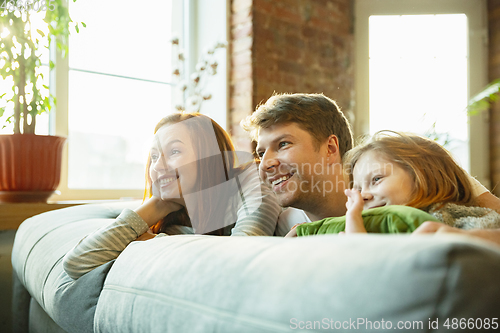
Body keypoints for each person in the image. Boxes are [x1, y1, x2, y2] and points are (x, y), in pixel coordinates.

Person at [241, 93, 500, 245]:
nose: (266, 163)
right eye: (261, 152)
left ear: (331, 148)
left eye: (283, 144)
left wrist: (453, 239)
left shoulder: (417, 173)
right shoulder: (284, 226)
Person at [63, 112, 281, 280]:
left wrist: (154, 244)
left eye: (174, 152)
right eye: (154, 156)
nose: (158, 166)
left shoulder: (248, 182)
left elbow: (243, 256)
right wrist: (157, 205)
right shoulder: (174, 219)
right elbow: (77, 262)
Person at [289, 131, 500, 237]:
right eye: (358, 189)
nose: (363, 196)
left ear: (424, 176)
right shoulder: (379, 225)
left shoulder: (451, 216)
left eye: (377, 179)